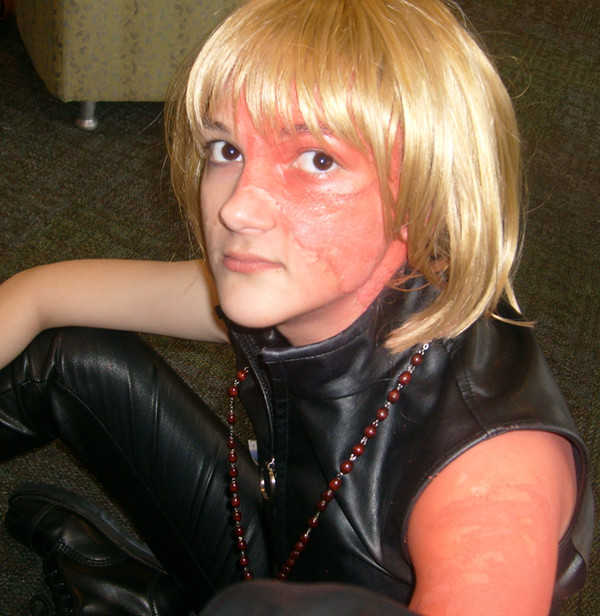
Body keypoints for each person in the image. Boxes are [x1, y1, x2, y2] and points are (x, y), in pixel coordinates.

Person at [0, 0, 593, 615]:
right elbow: (45, 295)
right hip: (279, 549)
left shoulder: (491, 477)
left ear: (428, 193)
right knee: (65, 356)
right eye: (227, 150)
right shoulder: (315, 287)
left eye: (317, 160)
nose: (236, 209)